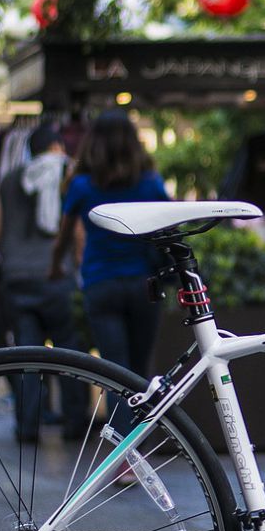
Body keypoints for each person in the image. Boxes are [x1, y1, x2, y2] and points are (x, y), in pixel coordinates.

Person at [52, 111, 169, 376]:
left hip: (100, 281)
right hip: (143, 283)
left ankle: (121, 418)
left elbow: (64, 234)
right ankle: (145, 419)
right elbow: (169, 225)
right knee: (141, 371)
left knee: (115, 372)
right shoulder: (150, 183)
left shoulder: (81, 185)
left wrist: (55, 266)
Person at [0, 123, 89, 443]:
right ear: (57, 147)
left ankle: (27, 427)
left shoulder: (9, 181)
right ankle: (76, 424)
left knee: (27, 356)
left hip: (16, 277)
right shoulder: (64, 177)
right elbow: (74, 228)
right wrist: (77, 262)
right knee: (69, 354)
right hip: (55, 276)